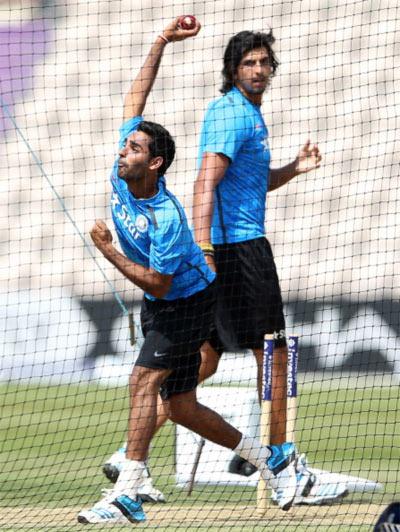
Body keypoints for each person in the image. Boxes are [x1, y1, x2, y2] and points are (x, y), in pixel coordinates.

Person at [102, 28, 346, 507]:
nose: (259, 70)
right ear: (234, 69)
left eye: (265, 63)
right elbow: (203, 184)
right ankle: (284, 463)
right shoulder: (232, 113)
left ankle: (131, 455)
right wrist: (206, 246)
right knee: (274, 356)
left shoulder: (247, 116)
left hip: (229, 247)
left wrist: (293, 168)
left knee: (201, 363)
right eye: (250, 62)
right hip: (237, 250)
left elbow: (248, 186)